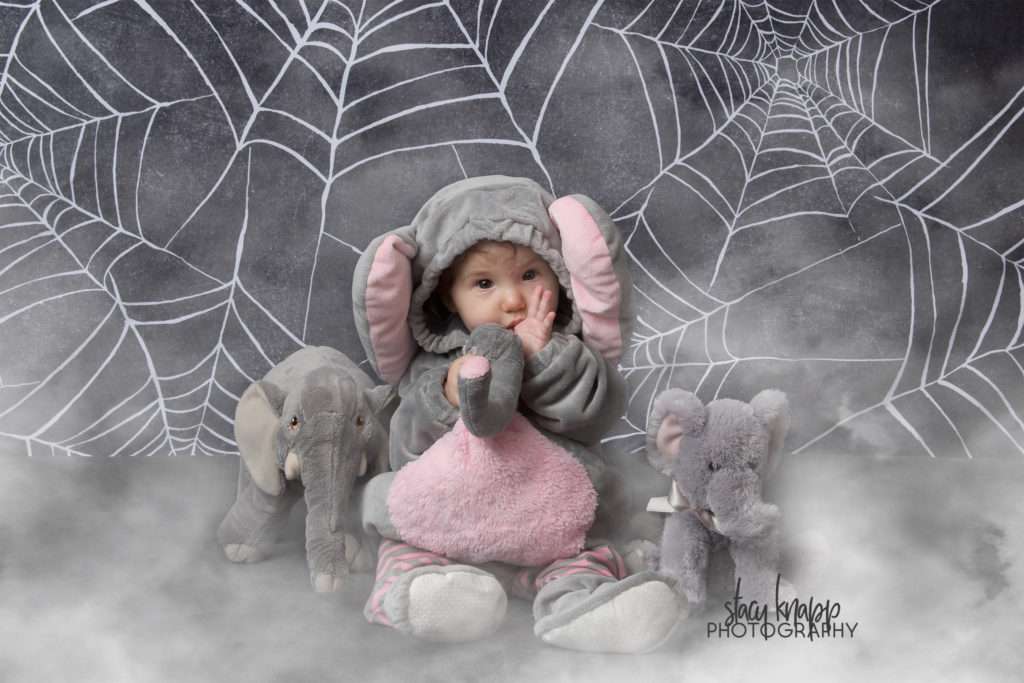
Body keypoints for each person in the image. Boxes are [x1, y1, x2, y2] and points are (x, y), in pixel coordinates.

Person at [352, 176, 684, 652]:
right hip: (448, 527)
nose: (512, 300)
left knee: (586, 553)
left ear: (558, 274)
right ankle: (426, 598)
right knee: (407, 547)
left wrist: (543, 360)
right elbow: (406, 450)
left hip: (543, 526)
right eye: (484, 283)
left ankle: (582, 609)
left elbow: (592, 414)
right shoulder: (435, 367)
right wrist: (451, 394)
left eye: (530, 275)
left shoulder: (568, 351)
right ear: (446, 297)